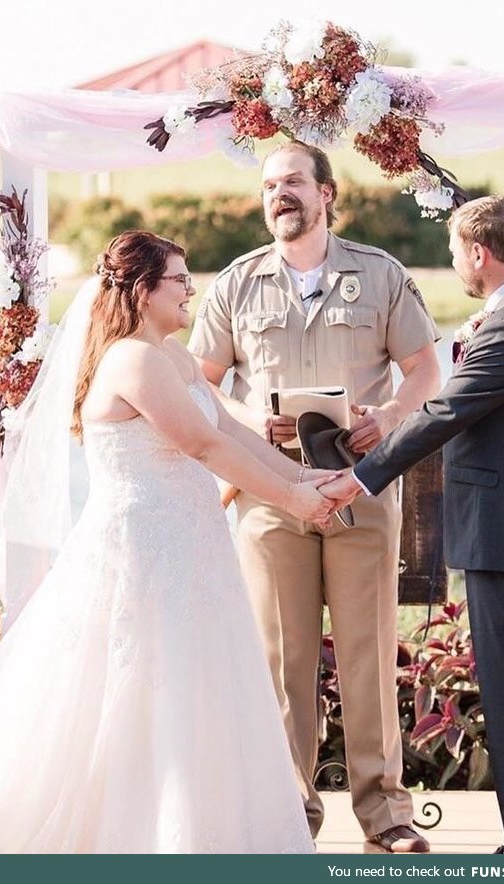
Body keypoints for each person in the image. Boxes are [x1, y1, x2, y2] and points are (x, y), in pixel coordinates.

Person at [0, 230, 340, 854]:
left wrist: (307, 475)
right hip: (143, 553)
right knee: (146, 688)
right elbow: (203, 447)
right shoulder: (132, 360)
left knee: (203, 684)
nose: (190, 289)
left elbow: (229, 428)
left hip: (192, 544)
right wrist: (292, 501)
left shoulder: (171, 358)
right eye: (179, 279)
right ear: (144, 290)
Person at [190, 141, 441, 852]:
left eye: (294, 182)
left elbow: (425, 368)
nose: (280, 196)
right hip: (268, 495)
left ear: (327, 192)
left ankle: (386, 816)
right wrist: (246, 420)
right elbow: (201, 383)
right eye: (270, 186)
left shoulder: (382, 275)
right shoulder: (237, 285)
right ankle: (288, 816)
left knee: (368, 656)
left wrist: (387, 418)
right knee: (282, 663)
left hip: (359, 490)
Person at [322, 196, 504, 855]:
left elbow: (440, 415)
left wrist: (360, 475)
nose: (453, 262)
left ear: (479, 254)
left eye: (455, 252)